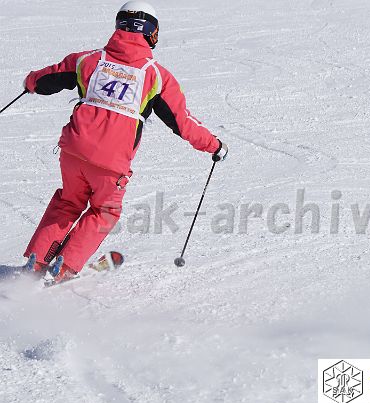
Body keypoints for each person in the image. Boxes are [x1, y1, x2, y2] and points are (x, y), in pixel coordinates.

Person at [21, 1, 228, 283]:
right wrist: (214, 145)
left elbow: (49, 78)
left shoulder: (88, 60)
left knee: (68, 201)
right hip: (111, 162)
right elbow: (182, 123)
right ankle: (64, 267)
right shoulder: (156, 75)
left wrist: (31, 83)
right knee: (104, 211)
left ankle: (37, 260)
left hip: (73, 151)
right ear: (151, 33)